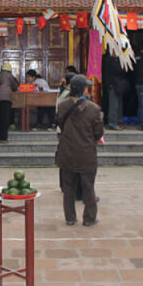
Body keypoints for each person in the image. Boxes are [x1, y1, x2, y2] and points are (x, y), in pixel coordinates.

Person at [56, 74, 104, 227]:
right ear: (84, 89)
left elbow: (60, 125)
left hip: (67, 151)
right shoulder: (93, 109)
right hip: (86, 152)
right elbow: (98, 132)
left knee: (68, 187)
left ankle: (70, 217)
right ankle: (89, 218)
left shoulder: (62, 106)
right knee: (88, 187)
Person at [0, 62, 19, 142]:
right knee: (4, 119)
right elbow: (15, 87)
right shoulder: (9, 76)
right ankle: (3, 138)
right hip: (6, 99)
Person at [103, 54, 128, 130]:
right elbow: (120, 70)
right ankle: (113, 123)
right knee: (114, 105)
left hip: (116, 85)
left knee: (118, 104)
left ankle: (118, 121)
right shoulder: (109, 59)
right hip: (113, 84)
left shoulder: (109, 59)